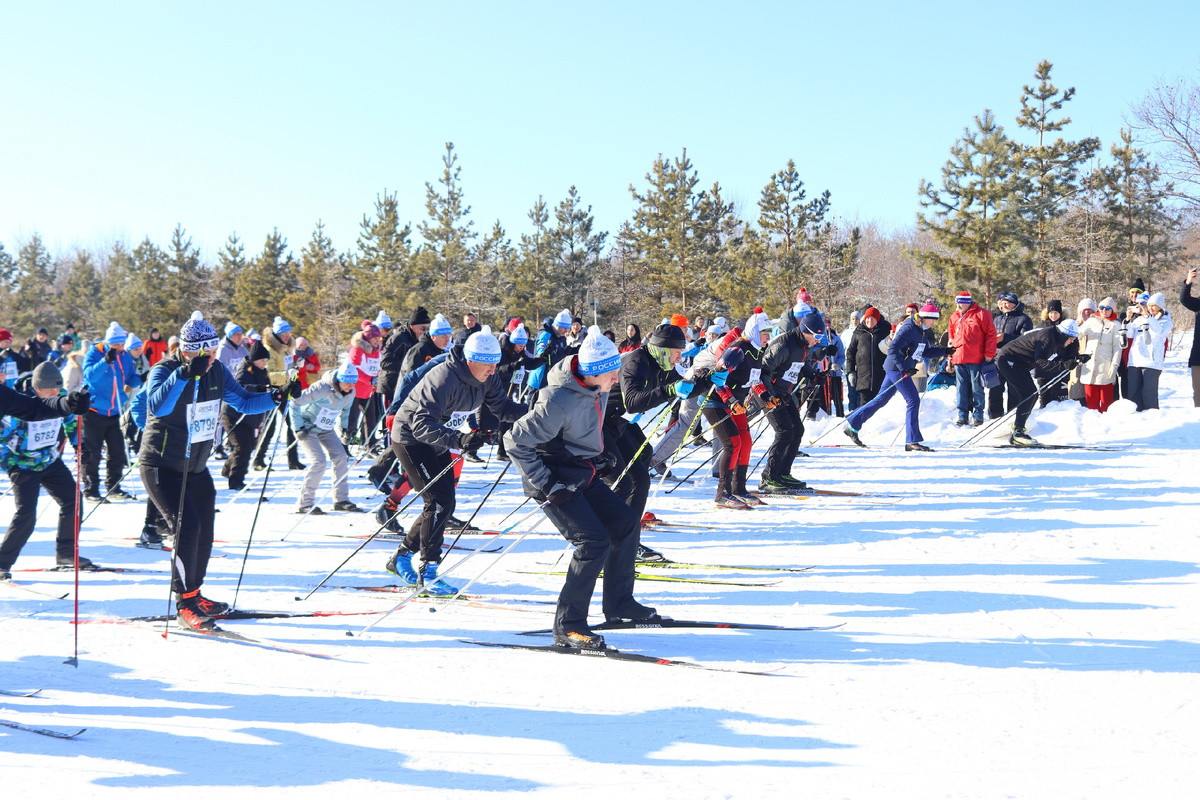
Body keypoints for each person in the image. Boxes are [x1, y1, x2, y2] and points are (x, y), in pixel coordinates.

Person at [506, 326, 657, 650]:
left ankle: (620, 605)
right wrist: (547, 483)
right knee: (592, 541)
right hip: (552, 481)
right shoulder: (557, 400)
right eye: (612, 372)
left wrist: (599, 455)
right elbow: (514, 441)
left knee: (625, 522)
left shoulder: (596, 388)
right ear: (595, 372)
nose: (616, 379)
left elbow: (584, 430)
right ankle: (568, 626)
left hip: (579, 472)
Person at [140, 312, 280, 630]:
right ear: (191, 351)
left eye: (216, 351)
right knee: (186, 528)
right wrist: (185, 375)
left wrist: (274, 397)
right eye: (209, 352)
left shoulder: (216, 370)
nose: (214, 357)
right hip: (161, 464)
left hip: (196, 466)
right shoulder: (165, 369)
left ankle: (195, 592)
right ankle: (183, 603)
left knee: (204, 531)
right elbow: (157, 406)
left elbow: (243, 402)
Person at [385, 327, 526, 594]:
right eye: (488, 365)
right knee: (438, 501)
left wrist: (535, 412)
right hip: (411, 438)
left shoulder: (488, 376)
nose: (493, 371)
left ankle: (401, 556)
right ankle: (428, 571)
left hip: (438, 436)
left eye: (496, 365)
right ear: (470, 360)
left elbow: (502, 408)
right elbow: (421, 426)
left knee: (445, 503)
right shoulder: (443, 378)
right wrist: (459, 440)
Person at [0, 362, 96, 580]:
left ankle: (66, 554)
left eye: (57, 389)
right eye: (49, 390)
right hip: (23, 465)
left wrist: (80, 446)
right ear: (35, 387)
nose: (55, 393)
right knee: (26, 515)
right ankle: (2, 563)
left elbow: (71, 421)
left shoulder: (61, 397)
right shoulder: (16, 403)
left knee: (73, 500)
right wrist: (9, 464)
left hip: (50, 460)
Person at [844, 303, 950, 452]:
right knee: (913, 400)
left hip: (897, 368)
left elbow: (925, 351)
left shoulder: (922, 331)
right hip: (897, 368)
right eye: (932, 320)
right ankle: (912, 441)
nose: (933, 323)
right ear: (925, 318)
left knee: (881, 399)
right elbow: (893, 348)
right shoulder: (909, 328)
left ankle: (853, 424)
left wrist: (946, 351)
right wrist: (904, 368)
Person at [755, 311, 830, 489]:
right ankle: (769, 477)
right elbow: (763, 372)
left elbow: (801, 365)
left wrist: (814, 375)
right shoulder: (783, 345)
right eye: (817, 335)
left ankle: (782, 474)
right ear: (806, 331)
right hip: (768, 393)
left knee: (797, 430)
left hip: (783, 392)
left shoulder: (805, 345)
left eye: (822, 335)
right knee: (784, 432)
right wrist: (770, 395)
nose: (819, 340)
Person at [996, 319, 1083, 445]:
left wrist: (1078, 358)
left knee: (1032, 394)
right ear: (1064, 335)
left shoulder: (1057, 337)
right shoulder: (1047, 338)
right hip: (1008, 359)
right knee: (1029, 394)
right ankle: (1017, 432)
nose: (1072, 342)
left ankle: (1018, 430)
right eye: (1071, 338)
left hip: (1020, 363)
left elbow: (1065, 355)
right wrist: (1064, 365)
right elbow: (1041, 363)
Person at [81, 321, 142, 501]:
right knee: (93, 454)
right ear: (108, 343)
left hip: (115, 411)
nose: (119, 348)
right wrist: (105, 361)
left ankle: (114, 487)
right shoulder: (94, 353)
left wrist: (140, 379)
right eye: (115, 345)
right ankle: (91, 490)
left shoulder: (125, 356)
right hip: (93, 411)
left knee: (117, 452)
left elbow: (129, 376)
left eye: (121, 345)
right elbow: (90, 375)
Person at [291, 359, 359, 515]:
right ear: (339, 380)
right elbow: (295, 402)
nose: (351, 386)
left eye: (353, 382)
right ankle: (305, 503)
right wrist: (298, 427)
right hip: (308, 427)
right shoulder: (321, 388)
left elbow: (346, 412)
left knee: (341, 457)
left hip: (326, 429)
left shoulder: (351, 392)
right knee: (319, 461)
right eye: (347, 382)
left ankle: (341, 500)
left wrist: (345, 431)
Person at [220, 340, 271, 491]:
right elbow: (241, 388)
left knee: (249, 446)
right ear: (254, 359)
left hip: (250, 416)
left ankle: (227, 470)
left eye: (265, 361)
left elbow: (270, 384)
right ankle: (236, 480)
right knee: (242, 447)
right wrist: (261, 388)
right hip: (234, 414)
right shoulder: (243, 371)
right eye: (262, 360)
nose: (264, 363)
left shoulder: (262, 372)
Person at [257, 316, 303, 471]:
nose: (288, 337)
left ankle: (293, 459)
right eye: (284, 334)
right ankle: (258, 459)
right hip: (272, 392)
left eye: (289, 333)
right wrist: (286, 376)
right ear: (276, 335)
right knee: (270, 427)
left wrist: (295, 370)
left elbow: (287, 368)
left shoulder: (284, 349)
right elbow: (268, 375)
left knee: (293, 423)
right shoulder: (269, 350)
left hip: (285, 391)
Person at [947, 291, 997, 427]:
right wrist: (949, 359)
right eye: (956, 302)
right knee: (961, 389)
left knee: (977, 388)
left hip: (976, 357)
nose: (958, 305)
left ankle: (978, 416)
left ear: (968, 302)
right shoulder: (954, 317)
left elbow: (991, 334)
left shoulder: (982, 314)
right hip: (958, 358)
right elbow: (950, 340)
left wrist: (989, 352)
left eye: (960, 303)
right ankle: (962, 416)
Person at [1125, 291, 1173, 411]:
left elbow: (1159, 332)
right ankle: (1135, 417)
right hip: (1135, 361)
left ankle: (1152, 418)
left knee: (1149, 394)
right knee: (1133, 394)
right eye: (1149, 305)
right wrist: (1127, 320)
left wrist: (1149, 317)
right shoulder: (1140, 319)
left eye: (1153, 306)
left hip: (1152, 362)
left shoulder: (1166, 321)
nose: (1150, 308)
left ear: (1160, 306)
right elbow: (1129, 334)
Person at [989, 292, 1033, 418]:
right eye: (1002, 303)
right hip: (997, 359)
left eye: (1007, 302)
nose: (1004, 305)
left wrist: (1005, 337)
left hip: (1015, 360)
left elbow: (1027, 339)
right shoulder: (997, 319)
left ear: (1015, 303)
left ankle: (1013, 417)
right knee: (995, 390)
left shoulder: (1024, 319)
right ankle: (994, 417)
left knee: (1014, 391)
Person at [1076, 297, 1125, 412]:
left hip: (1105, 367)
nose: (1104, 310)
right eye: (1102, 307)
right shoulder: (1091, 321)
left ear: (1112, 310)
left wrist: (1114, 366)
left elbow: (1117, 348)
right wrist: (1082, 332)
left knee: (1106, 404)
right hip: (1090, 366)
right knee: (1091, 405)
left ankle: (1107, 426)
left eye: (1108, 308)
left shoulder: (1116, 325)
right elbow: (1076, 336)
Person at [378, 306, 430, 404]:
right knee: (391, 418)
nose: (425, 332)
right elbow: (385, 362)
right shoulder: (398, 339)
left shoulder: (423, 341)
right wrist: (406, 367)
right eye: (423, 328)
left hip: (408, 387)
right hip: (390, 387)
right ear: (412, 326)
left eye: (428, 328)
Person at [347, 320, 384, 446]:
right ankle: (346, 444)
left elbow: (378, 367)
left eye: (379, 338)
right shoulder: (357, 350)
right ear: (368, 338)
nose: (377, 341)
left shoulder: (377, 350)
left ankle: (369, 444)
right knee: (352, 419)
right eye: (375, 338)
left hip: (369, 390)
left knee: (371, 419)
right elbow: (354, 369)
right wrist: (369, 379)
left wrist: (379, 377)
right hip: (355, 390)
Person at [846, 307, 889, 408]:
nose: (869, 321)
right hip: (863, 377)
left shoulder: (885, 330)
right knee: (864, 406)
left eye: (872, 318)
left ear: (877, 319)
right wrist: (850, 371)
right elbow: (850, 352)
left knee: (880, 406)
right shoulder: (859, 332)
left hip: (881, 376)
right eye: (867, 318)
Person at [527, 309, 575, 392]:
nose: (566, 331)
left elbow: (559, 357)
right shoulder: (546, 335)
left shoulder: (561, 337)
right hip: (540, 379)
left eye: (568, 328)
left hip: (553, 379)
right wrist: (553, 354)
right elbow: (540, 356)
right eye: (564, 328)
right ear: (558, 325)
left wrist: (566, 352)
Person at [1118, 279, 1146, 400]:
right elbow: (1121, 334)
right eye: (1132, 292)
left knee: (1141, 389)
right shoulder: (1125, 311)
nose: (1134, 295)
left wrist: (1144, 312)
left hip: (1143, 355)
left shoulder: (1148, 310)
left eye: (1137, 292)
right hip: (1127, 357)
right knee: (1126, 389)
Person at [401, 313, 452, 377]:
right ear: (433, 336)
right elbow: (411, 378)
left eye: (449, 337)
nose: (448, 340)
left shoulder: (442, 351)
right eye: (444, 337)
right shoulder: (420, 350)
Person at [1180, 267, 1200, 407]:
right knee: (1198, 393)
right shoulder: (1199, 303)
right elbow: (1184, 299)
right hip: (1198, 357)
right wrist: (1188, 282)